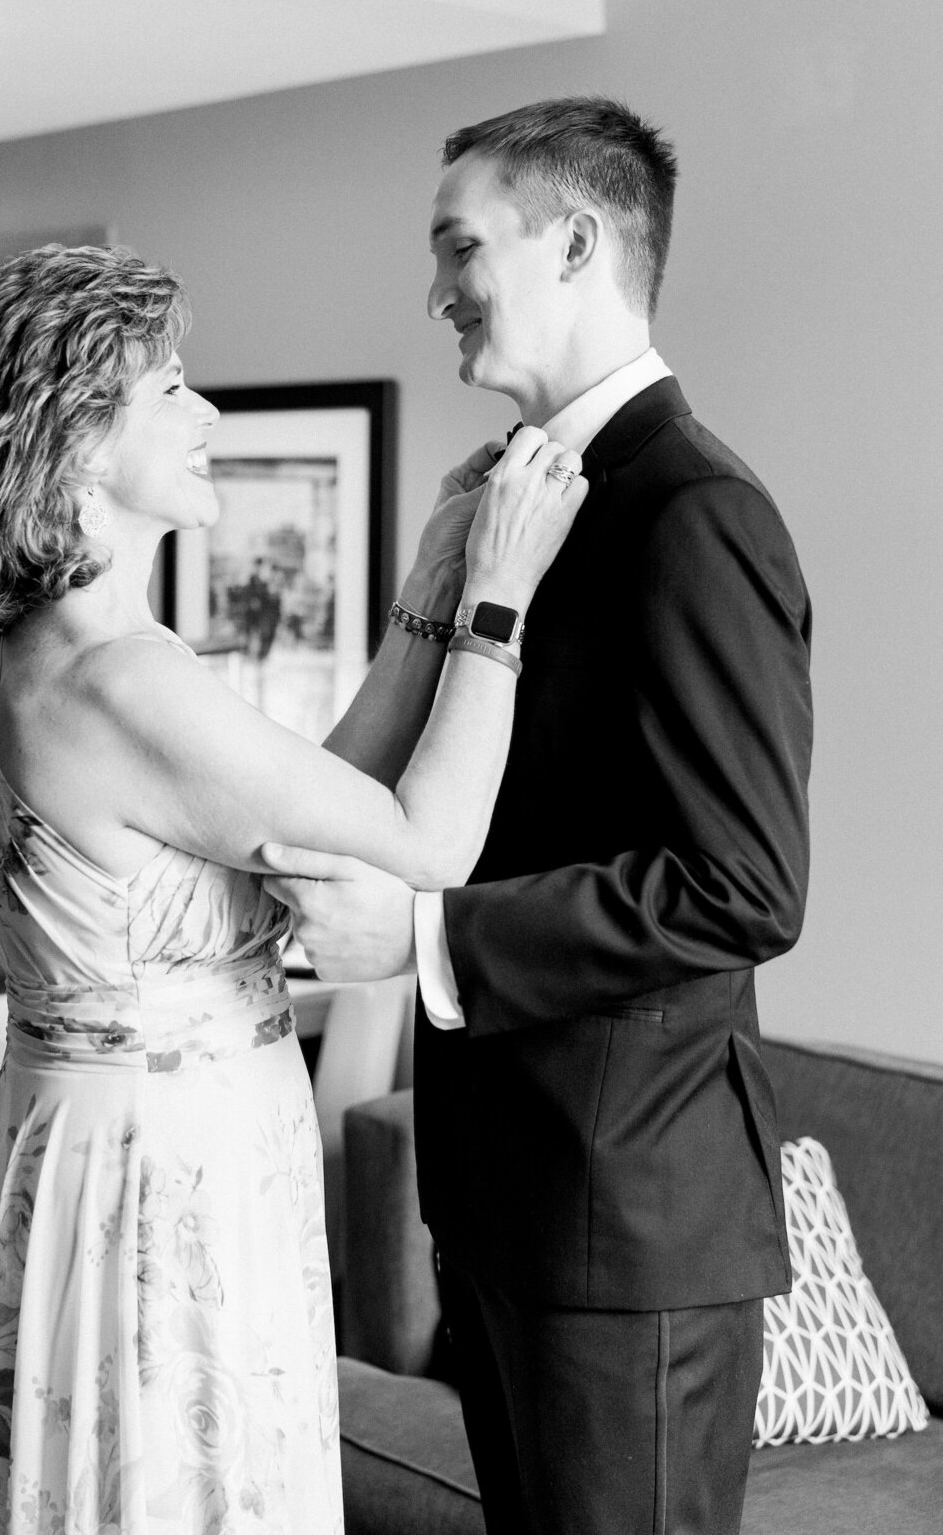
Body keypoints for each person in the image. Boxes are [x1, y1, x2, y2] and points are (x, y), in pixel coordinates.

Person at [0, 242, 586, 1535]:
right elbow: (423, 845)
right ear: (71, 438)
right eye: (169, 388)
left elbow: (301, 798)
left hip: (97, 1150)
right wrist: (497, 600)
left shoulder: (53, 655)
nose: (207, 412)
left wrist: (428, 596)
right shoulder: (125, 681)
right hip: (163, 1177)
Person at [264, 98, 813, 1535]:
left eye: (460, 247)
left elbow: (741, 885)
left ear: (575, 242)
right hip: (503, 1199)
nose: (435, 291)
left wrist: (427, 936)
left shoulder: (695, 513)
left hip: (626, 1223)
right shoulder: (507, 502)